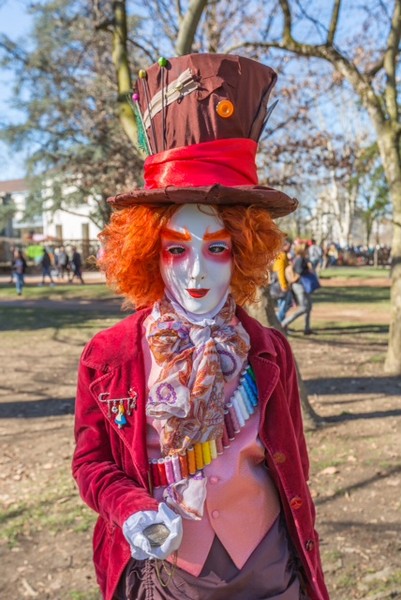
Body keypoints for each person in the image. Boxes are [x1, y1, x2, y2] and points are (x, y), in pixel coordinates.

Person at [72, 54, 328, 600]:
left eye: (217, 248)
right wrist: (132, 510)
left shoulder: (270, 350)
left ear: (244, 254)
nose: (195, 270)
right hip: (166, 572)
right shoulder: (110, 354)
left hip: (268, 565)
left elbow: (294, 466)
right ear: (148, 254)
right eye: (175, 249)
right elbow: (91, 461)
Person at [281, 245, 313, 335]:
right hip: (299, 286)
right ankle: (283, 324)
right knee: (303, 308)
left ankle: (307, 328)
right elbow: (299, 271)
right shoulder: (299, 259)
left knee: (309, 306)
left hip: (303, 286)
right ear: (302, 250)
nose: (308, 250)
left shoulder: (302, 258)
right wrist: (308, 271)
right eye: (306, 249)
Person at [271, 238, 293, 322]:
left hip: (279, 284)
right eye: (289, 246)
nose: (290, 248)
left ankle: (282, 323)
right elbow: (280, 272)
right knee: (283, 306)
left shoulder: (281, 255)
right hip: (280, 285)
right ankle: (280, 324)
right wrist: (284, 285)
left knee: (283, 306)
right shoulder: (281, 256)